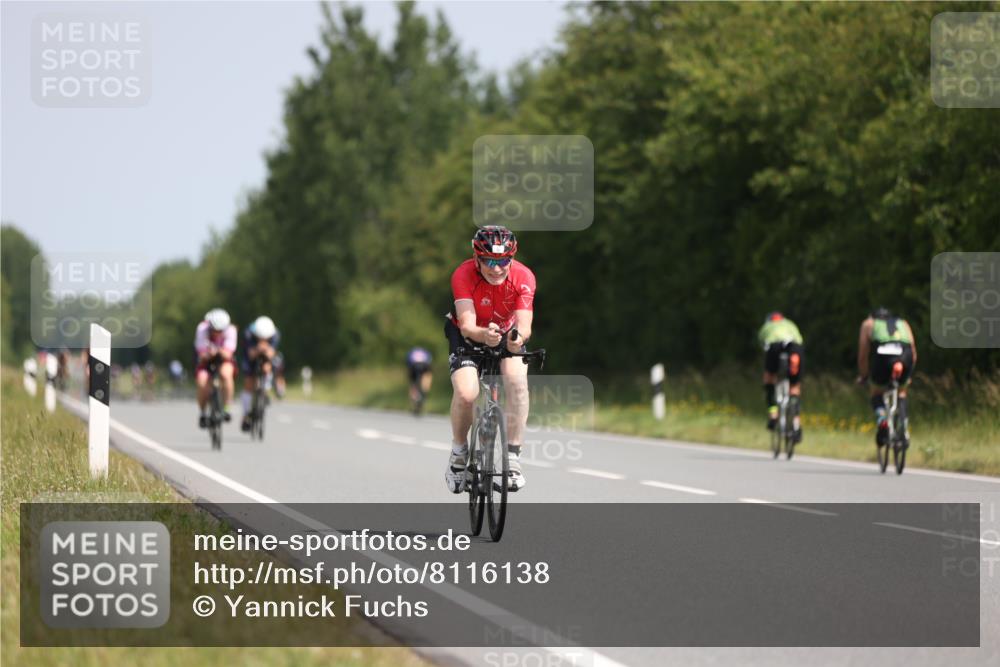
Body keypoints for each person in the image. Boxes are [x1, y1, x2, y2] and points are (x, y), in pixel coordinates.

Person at [444, 225, 535, 493]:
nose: (497, 269)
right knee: (466, 393)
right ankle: (459, 453)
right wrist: (484, 334)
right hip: (468, 334)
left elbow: (525, 325)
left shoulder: (524, 277)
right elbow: (468, 325)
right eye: (490, 261)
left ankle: (513, 458)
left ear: (512, 259)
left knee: (517, 382)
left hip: (506, 332)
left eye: (503, 261)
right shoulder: (463, 275)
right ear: (477, 259)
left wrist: (517, 338)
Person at [856, 307, 917, 447]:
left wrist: (864, 376)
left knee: (876, 392)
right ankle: (903, 426)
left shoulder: (869, 323)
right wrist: (908, 375)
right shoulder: (903, 323)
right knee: (902, 392)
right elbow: (913, 351)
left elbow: (863, 355)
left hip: (882, 355)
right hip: (904, 355)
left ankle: (882, 419)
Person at [758, 312, 805, 443]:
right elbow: (800, 339)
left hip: (774, 347)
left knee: (769, 378)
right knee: (795, 387)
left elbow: (762, 345)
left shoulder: (766, 327)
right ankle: (796, 425)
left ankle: (773, 415)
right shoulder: (790, 324)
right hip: (795, 348)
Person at [194, 308, 237, 427]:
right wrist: (209, 354)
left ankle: (227, 407)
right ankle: (203, 412)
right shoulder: (202, 329)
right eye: (214, 330)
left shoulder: (231, 330)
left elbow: (228, 353)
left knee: (226, 375)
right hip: (206, 359)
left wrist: (218, 351)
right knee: (202, 383)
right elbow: (201, 354)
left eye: (220, 331)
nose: (217, 333)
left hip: (223, 359)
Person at [240, 315, 280, 432]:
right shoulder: (248, 334)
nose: (263, 339)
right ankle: (246, 413)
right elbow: (251, 355)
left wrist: (266, 350)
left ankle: (265, 389)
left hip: (266, 357)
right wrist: (258, 349)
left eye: (266, 338)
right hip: (250, 357)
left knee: (268, 367)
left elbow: (271, 353)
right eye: (260, 337)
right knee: (249, 382)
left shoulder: (275, 334)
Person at [406, 347, 433, 414]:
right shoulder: (425, 352)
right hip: (425, 365)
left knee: (413, 384)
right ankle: (424, 391)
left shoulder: (412, 352)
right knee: (427, 377)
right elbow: (429, 361)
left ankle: (414, 399)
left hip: (413, 366)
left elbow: (408, 363)